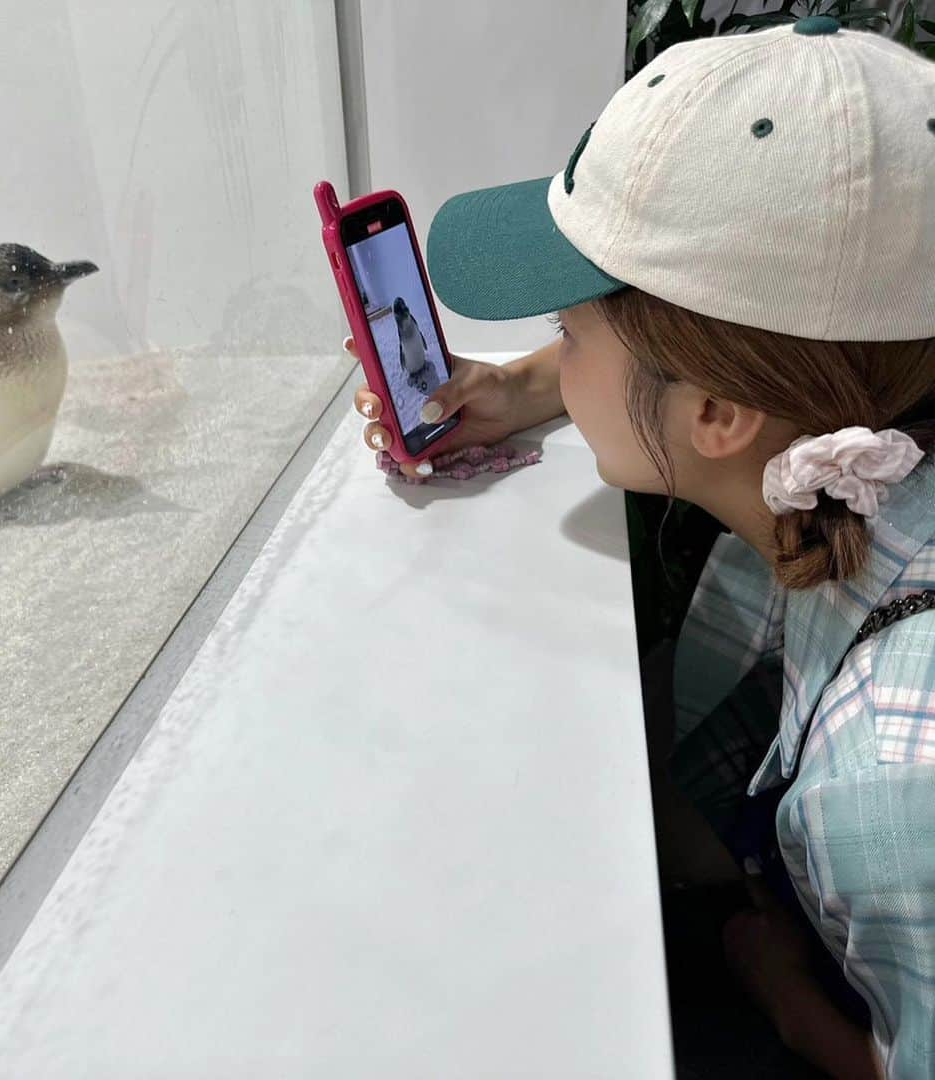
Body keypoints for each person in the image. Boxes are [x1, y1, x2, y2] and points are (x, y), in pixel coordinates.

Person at [343, 17, 934, 1080]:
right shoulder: (845, 442)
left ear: (716, 414)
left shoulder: (889, 785)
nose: (551, 355)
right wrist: (525, 387)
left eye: (567, 330)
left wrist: (785, 998)